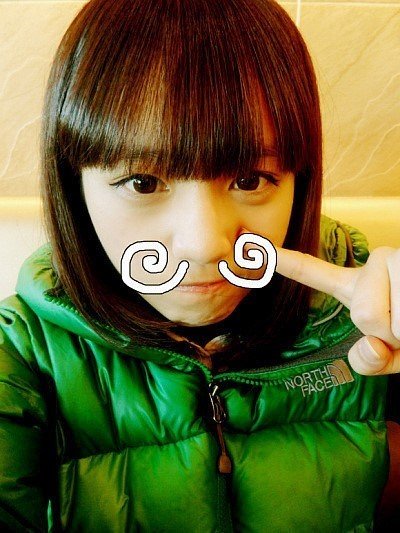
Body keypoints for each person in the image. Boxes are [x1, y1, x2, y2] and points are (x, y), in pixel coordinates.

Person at [0, 0, 399, 530]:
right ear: (75, 188)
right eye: (143, 182)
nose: (205, 245)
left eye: (250, 180)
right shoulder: (21, 358)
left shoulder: (370, 319)